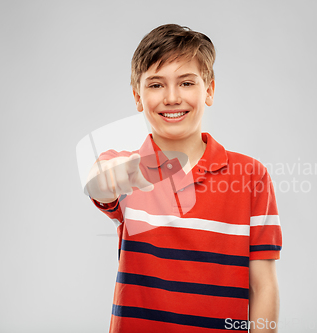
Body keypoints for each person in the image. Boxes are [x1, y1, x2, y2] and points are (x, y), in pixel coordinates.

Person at [85, 23, 282, 333]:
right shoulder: (126, 168)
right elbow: (99, 180)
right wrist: (108, 178)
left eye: (186, 83)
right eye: (156, 85)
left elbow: (263, 286)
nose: (172, 97)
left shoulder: (250, 175)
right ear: (138, 97)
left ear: (210, 90)